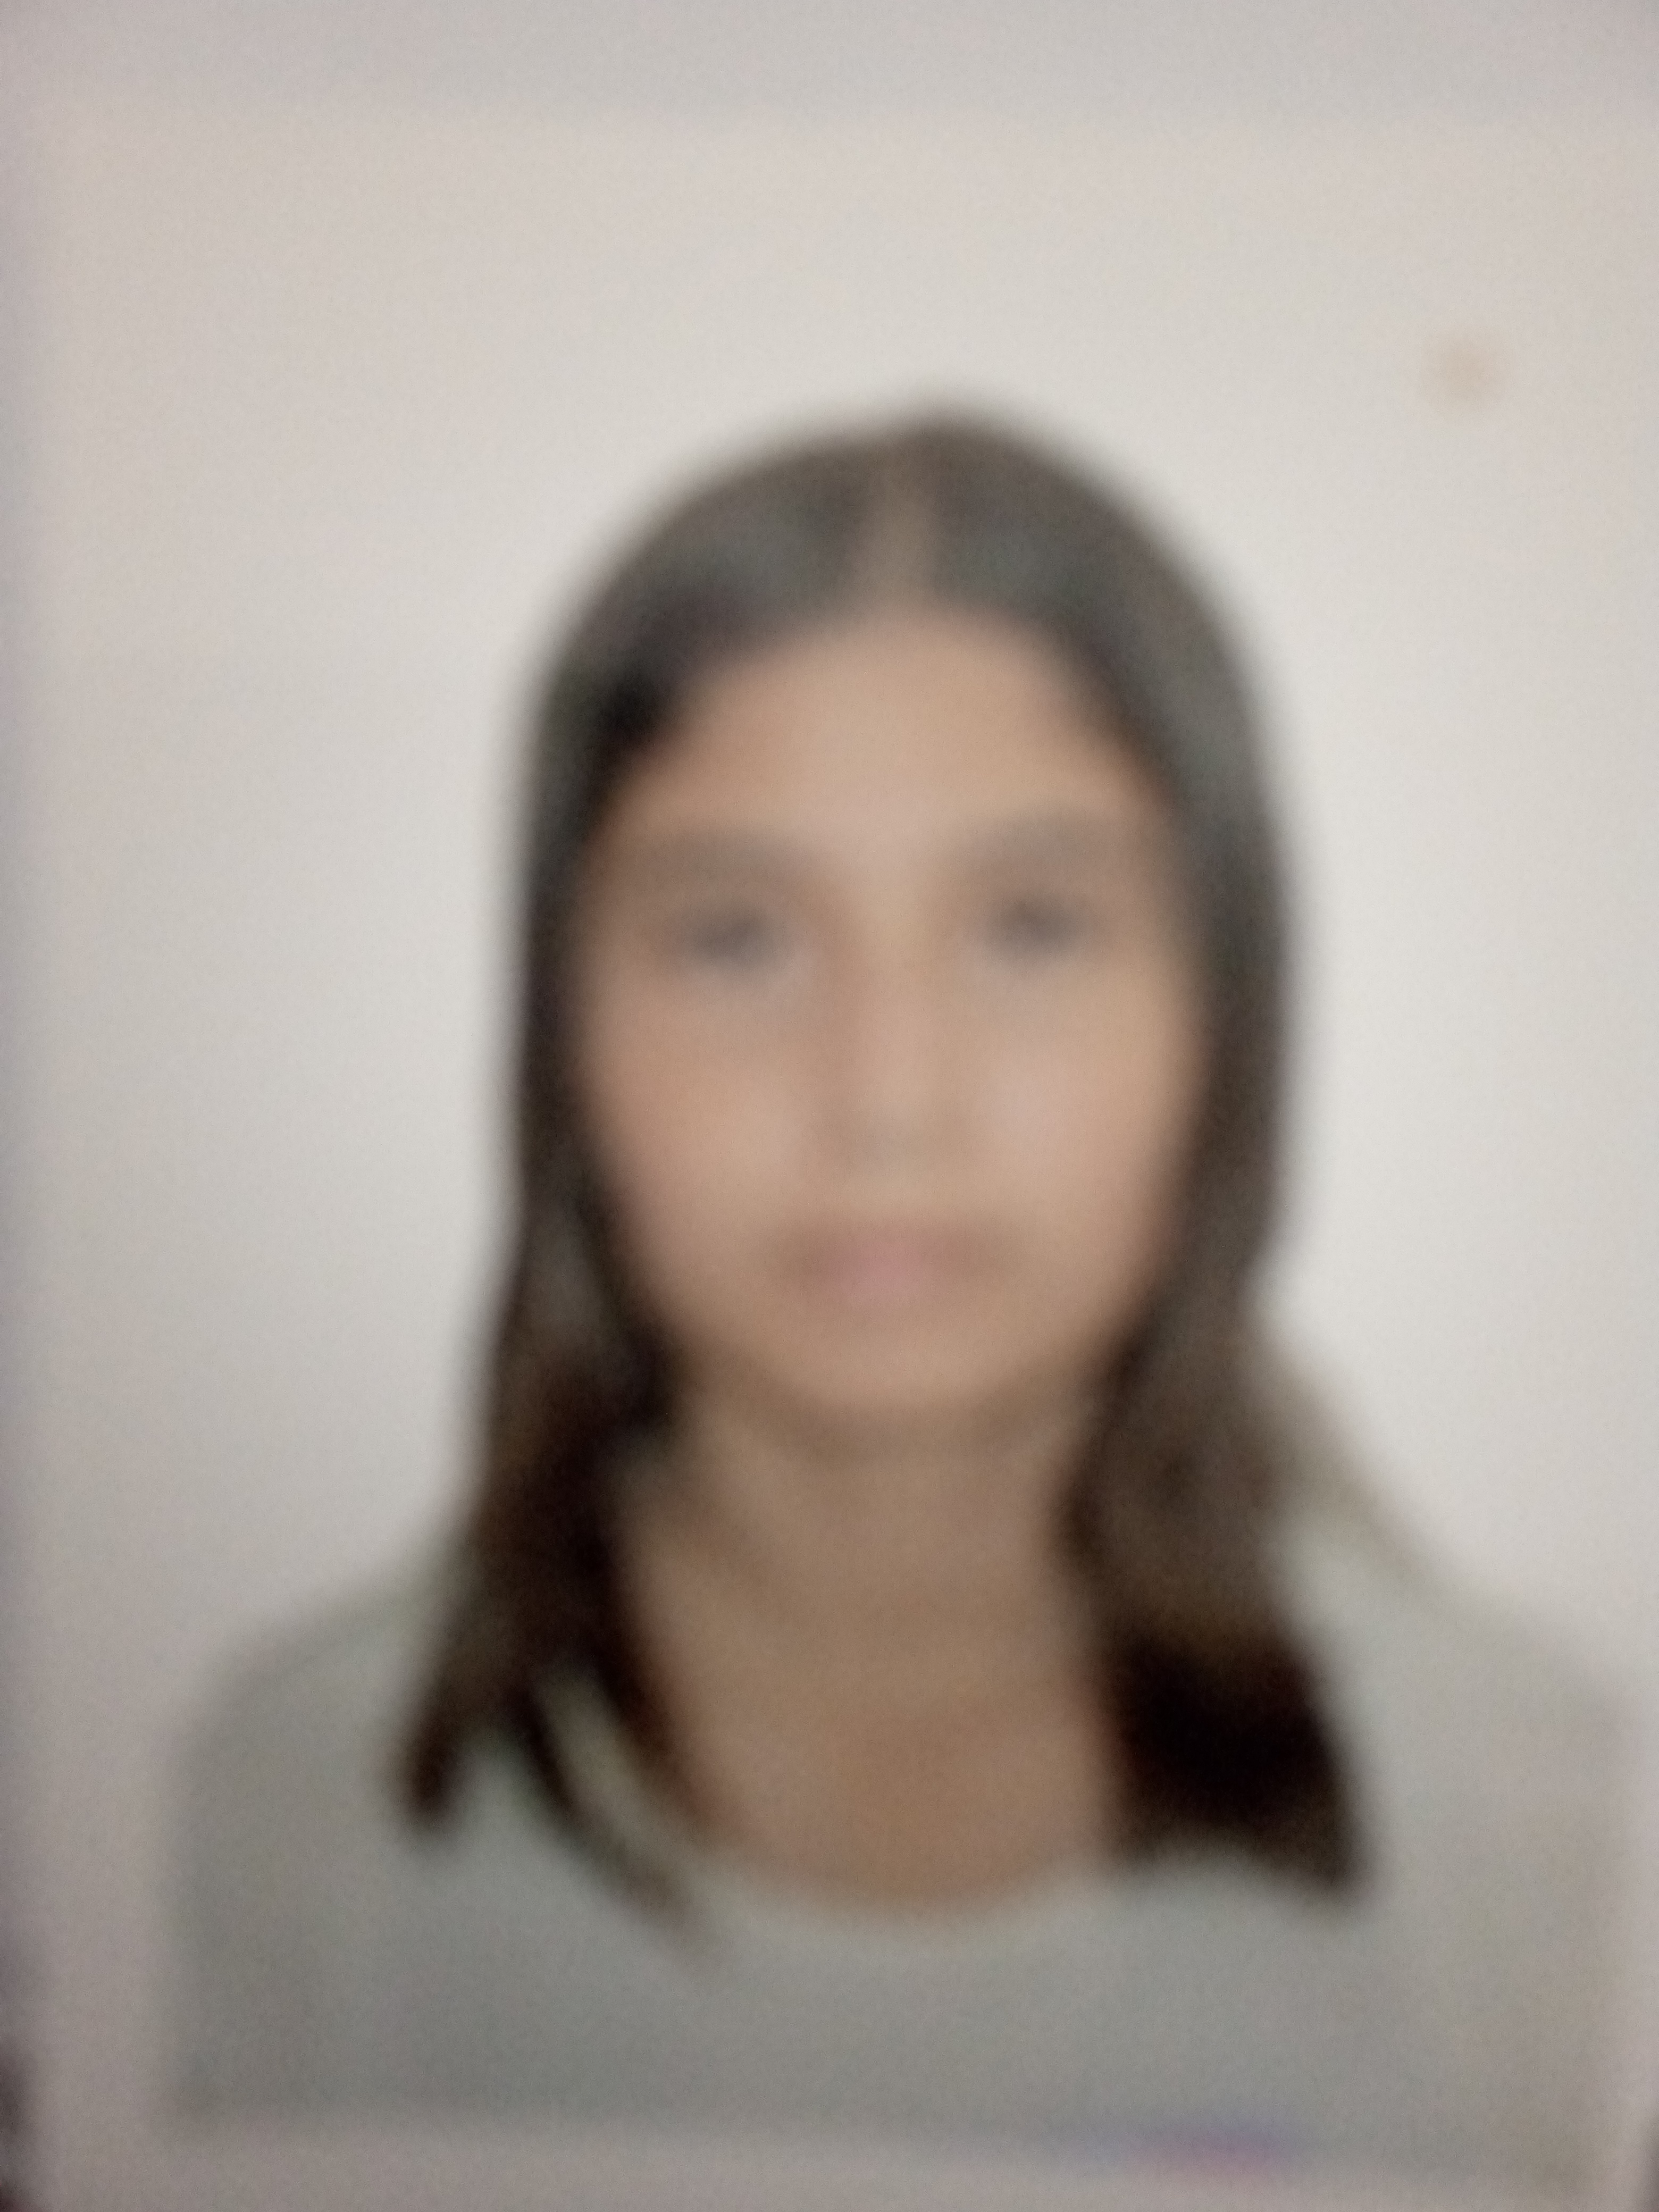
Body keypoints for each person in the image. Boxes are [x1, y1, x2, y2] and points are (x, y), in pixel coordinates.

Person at [178, 415, 1626, 2186]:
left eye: (1032, 928)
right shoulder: (256, 1837)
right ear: (563, 1038)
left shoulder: (1547, 1845)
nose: (885, 1097)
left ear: (1229, 1016)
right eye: (736, 937)